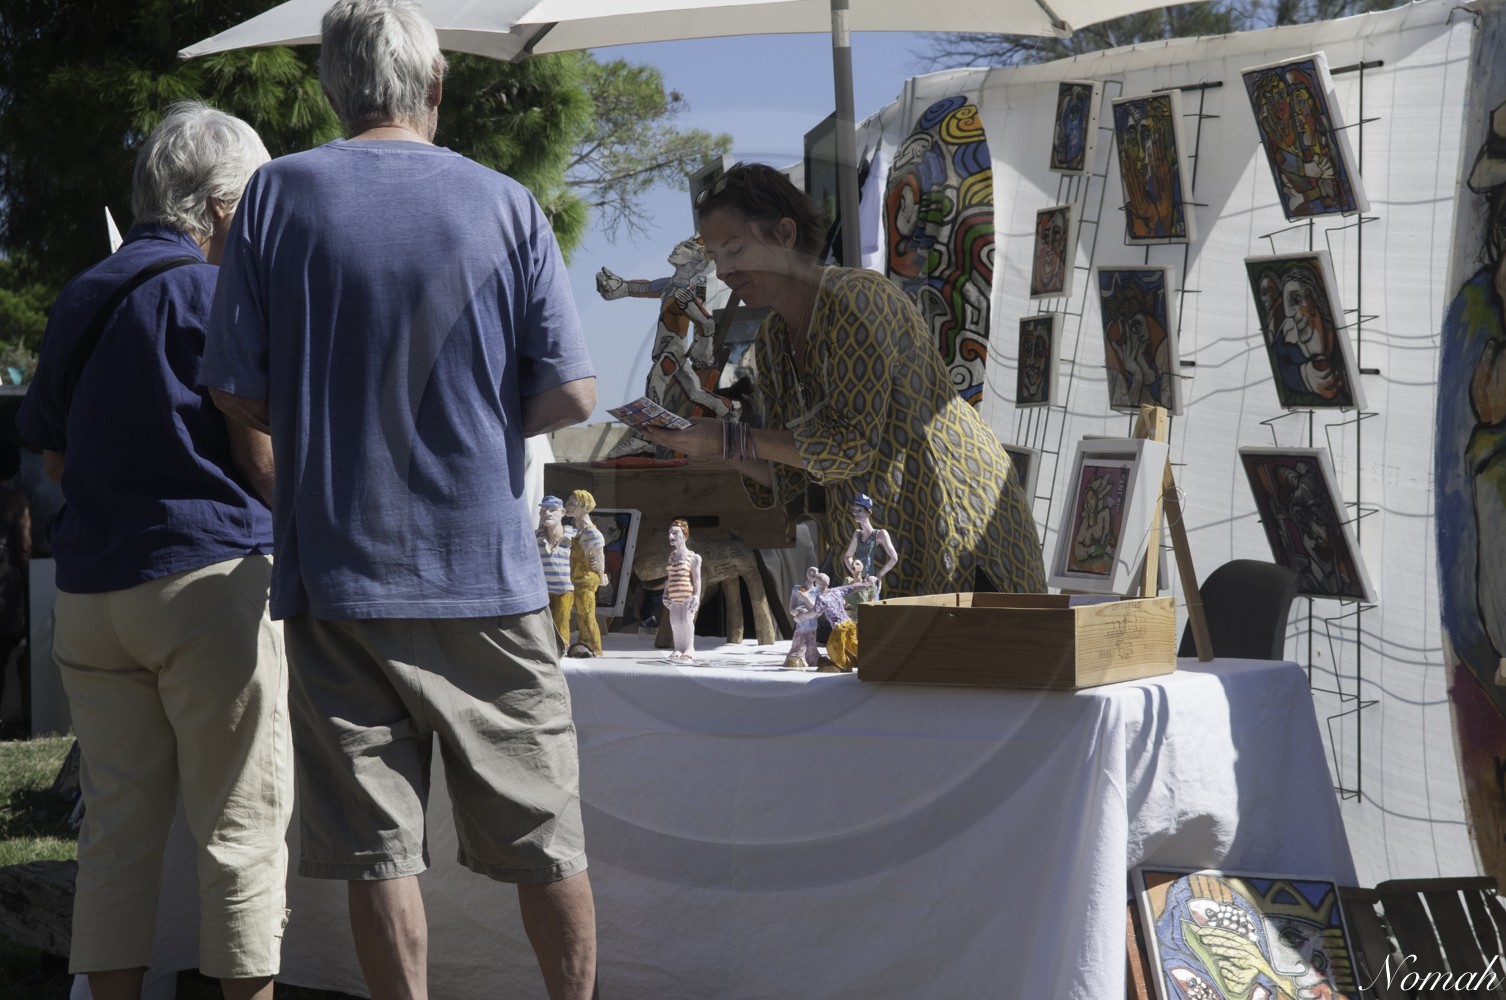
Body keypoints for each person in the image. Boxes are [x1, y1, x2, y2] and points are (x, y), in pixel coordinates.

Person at [199, 2, 599, 998]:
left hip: (337, 568)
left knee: (377, 850)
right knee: (545, 834)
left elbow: (235, 388)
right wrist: (470, 415)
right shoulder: (507, 202)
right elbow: (572, 395)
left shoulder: (276, 194)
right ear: (436, 84)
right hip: (486, 571)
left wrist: (332, 415)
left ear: (335, 89)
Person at [15, 102, 289, 1000]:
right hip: (208, 583)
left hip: (93, 599)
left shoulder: (81, 295)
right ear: (220, 207)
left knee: (116, 838)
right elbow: (262, 456)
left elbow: (54, 457)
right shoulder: (219, 295)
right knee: (241, 830)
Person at [637, 162, 1045, 598]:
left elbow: (849, 447)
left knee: (973, 641)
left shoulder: (858, 298)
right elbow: (793, 474)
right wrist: (711, 445)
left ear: (785, 234)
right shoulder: (773, 338)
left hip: (957, 521)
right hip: (887, 540)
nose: (722, 272)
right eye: (716, 257)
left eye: (735, 250)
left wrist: (730, 439)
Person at [565, 489, 608, 658]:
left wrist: (601, 575)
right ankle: (582, 642)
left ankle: (592, 645)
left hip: (586, 578)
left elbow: (599, 556)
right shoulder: (576, 531)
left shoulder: (591, 532)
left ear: (583, 507)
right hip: (576, 578)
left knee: (586, 612)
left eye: (572, 502)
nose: (567, 505)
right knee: (579, 612)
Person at [536, 496, 574, 647]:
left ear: (563, 512)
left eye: (552, 510)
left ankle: (562, 647)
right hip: (542, 590)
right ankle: (544, 648)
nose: (548, 513)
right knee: (541, 622)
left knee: (562, 616)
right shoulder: (533, 538)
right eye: (544, 510)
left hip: (565, 589)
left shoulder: (574, 537)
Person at [663, 518, 702, 661]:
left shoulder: (694, 557)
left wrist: (697, 596)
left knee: (687, 620)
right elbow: (669, 577)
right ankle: (678, 647)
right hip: (673, 596)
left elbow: (697, 578)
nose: (671, 536)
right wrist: (665, 593)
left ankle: (689, 647)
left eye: (675, 533)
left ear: (684, 535)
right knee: (675, 622)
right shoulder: (672, 556)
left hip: (687, 595)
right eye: (670, 533)